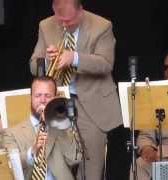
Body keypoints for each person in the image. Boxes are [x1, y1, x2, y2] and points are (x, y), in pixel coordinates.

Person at [29, 0, 123, 179]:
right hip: (57, 103)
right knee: (57, 159)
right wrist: (47, 60)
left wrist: (75, 58)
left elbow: (106, 63)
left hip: (92, 105)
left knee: (91, 166)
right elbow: (34, 65)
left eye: (69, 21)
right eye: (60, 19)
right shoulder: (46, 25)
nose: (64, 24)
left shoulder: (102, 26)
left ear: (81, 10)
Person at [0, 77, 81, 180]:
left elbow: (74, 159)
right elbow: (9, 164)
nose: (42, 100)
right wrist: (32, 151)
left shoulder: (66, 127)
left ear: (55, 99)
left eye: (48, 96)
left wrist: (58, 124)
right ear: (30, 98)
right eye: (38, 95)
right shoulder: (10, 133)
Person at [133, 49, 168, 180]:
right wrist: (146, 147)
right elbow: (146, 132)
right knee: (140, 164)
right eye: (166, 67)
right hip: (162, 153)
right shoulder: (157, 97)